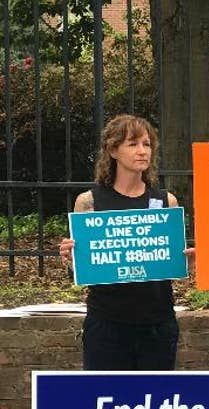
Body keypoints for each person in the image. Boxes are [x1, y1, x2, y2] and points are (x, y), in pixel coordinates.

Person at [58, 115, 185, 370]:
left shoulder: (165, 202)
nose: (142, 151)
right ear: (113, 150)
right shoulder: (89, 202)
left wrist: (185, 261)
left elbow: (171, 263)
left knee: (154, 403)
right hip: (107, 322)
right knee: (105, 401)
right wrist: (72, 260)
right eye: (133, 144)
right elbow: (85, 269)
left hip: (157, 323)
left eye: (147, 144)